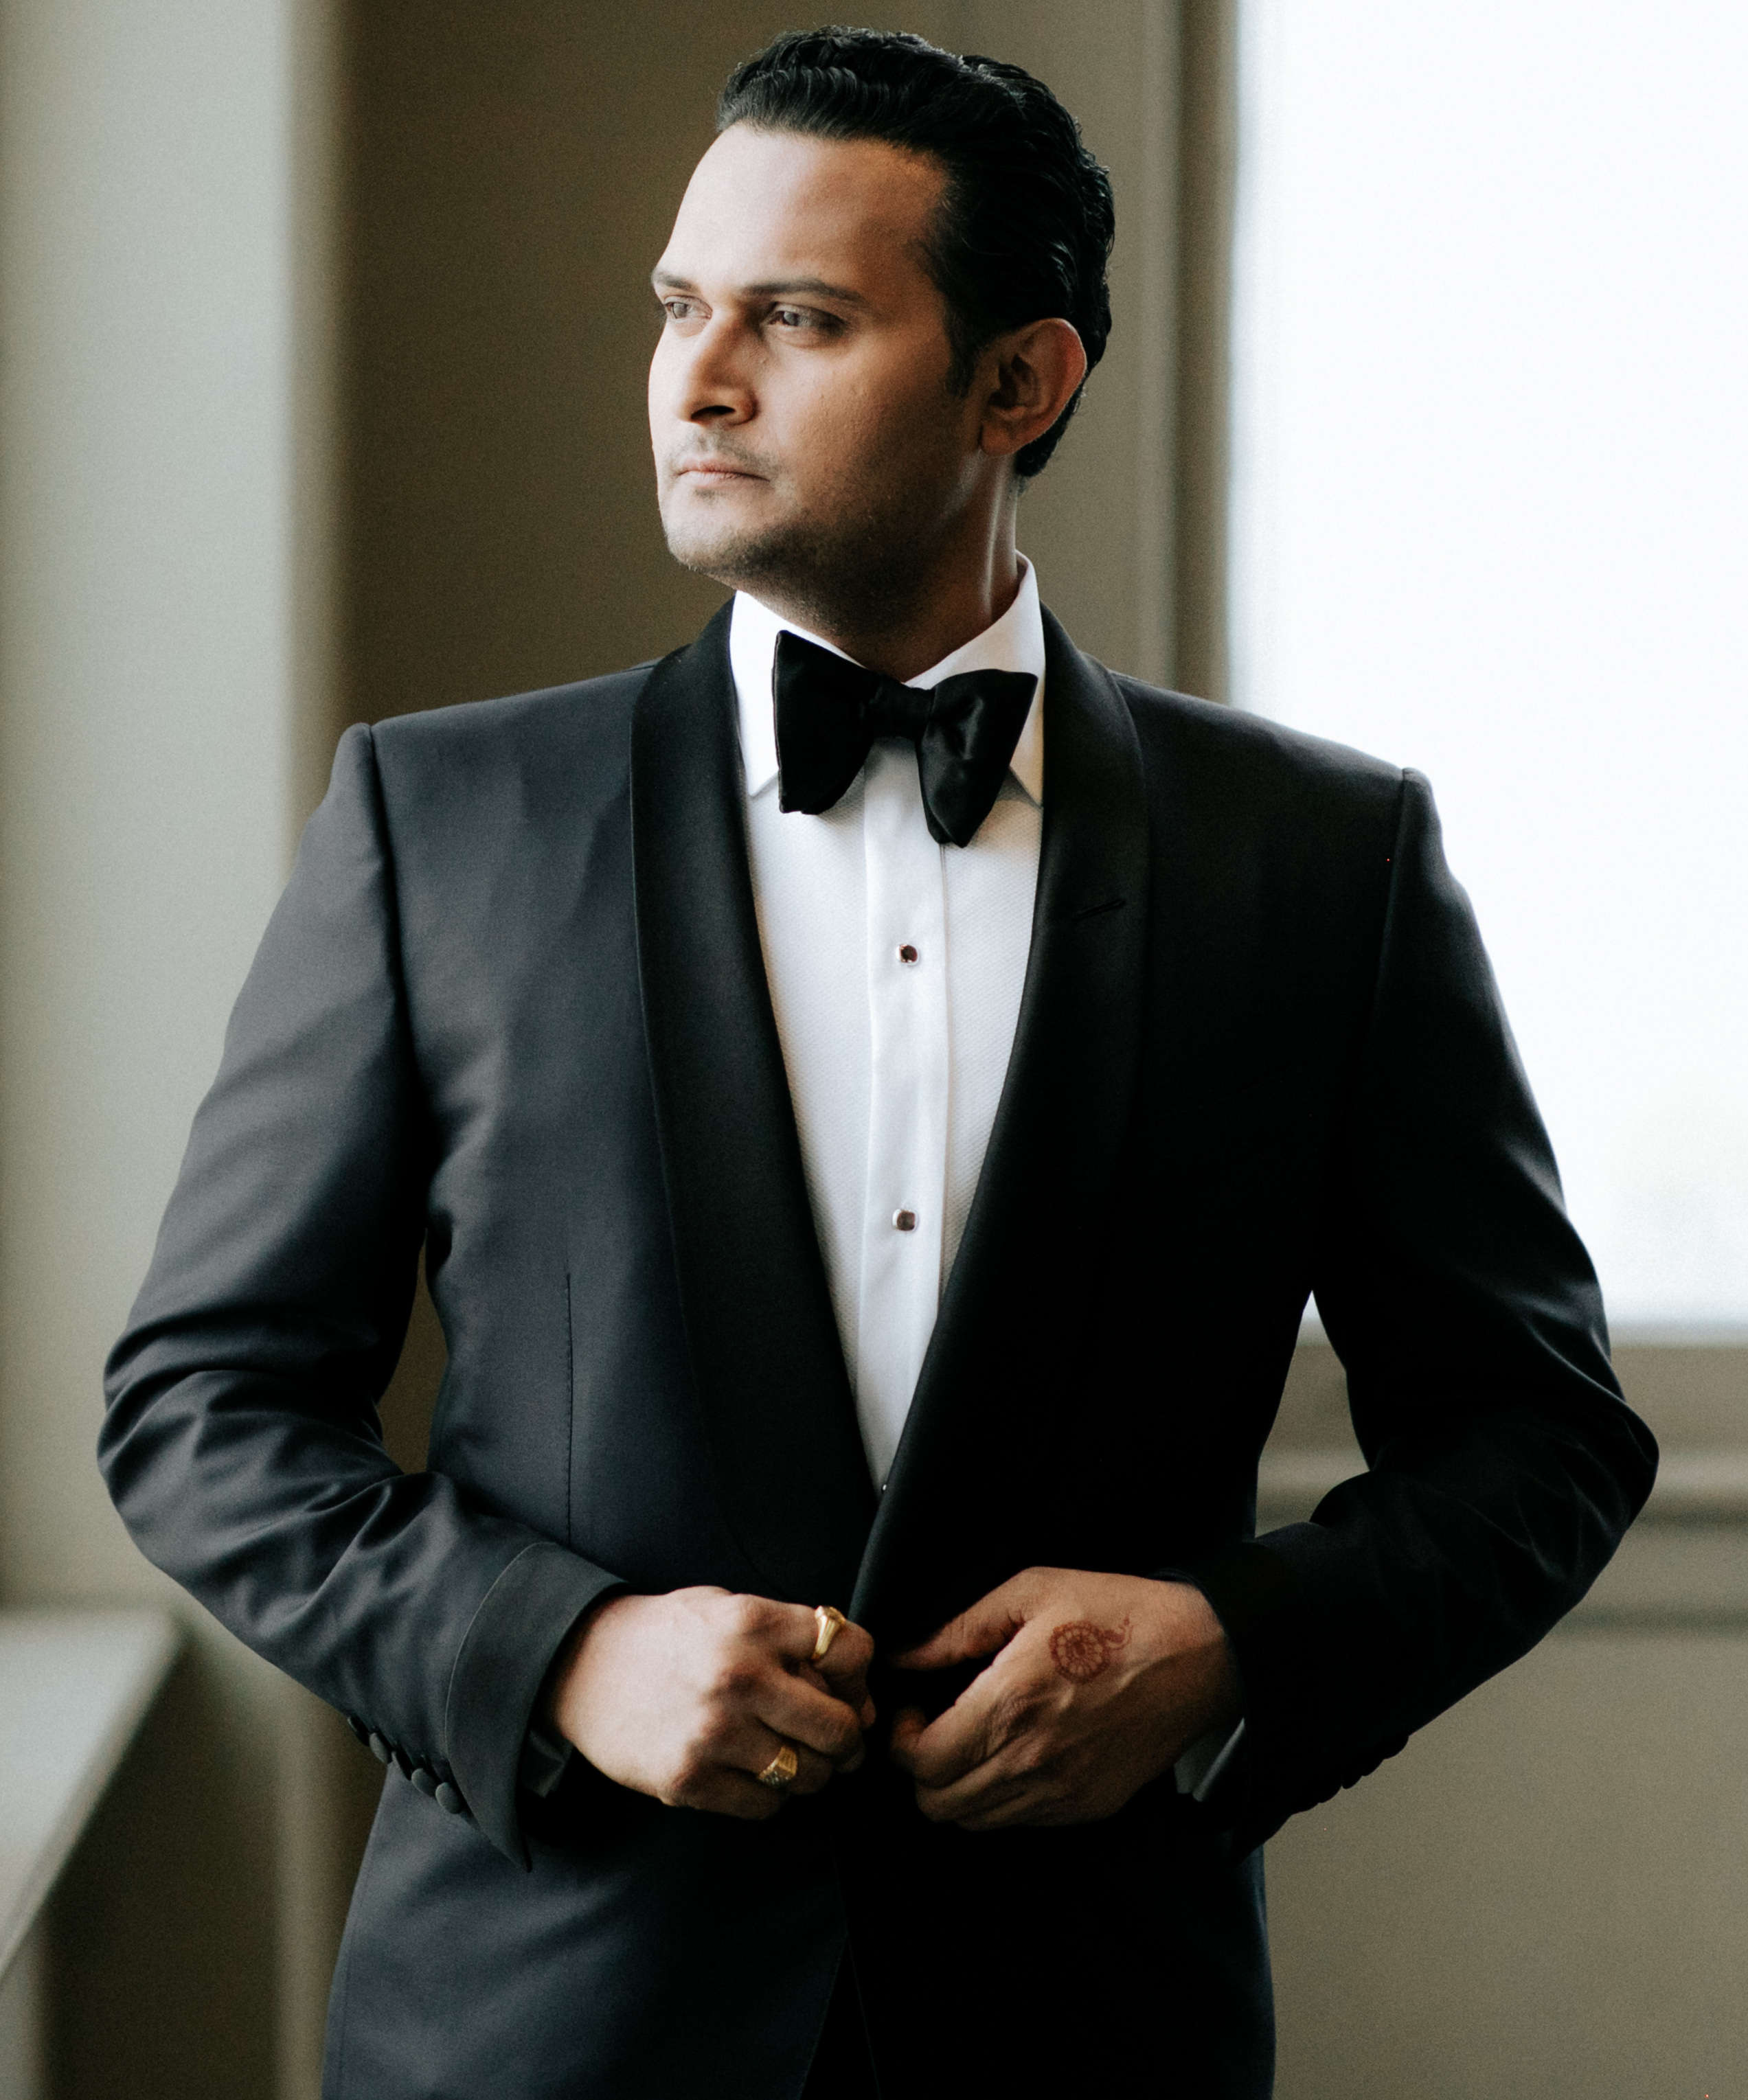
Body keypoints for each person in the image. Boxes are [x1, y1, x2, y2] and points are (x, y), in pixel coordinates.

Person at [100, 26, 1656, 2099]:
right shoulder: (437, 823)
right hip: (548, 2031)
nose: (697, 377)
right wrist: (556, 1651)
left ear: (1020, 381)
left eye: (797, 318)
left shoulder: (1319, 862)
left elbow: (1535, 1438)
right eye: (678, 307)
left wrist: (1228, 1646)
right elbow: (203, 1407)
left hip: (1086, 2029)